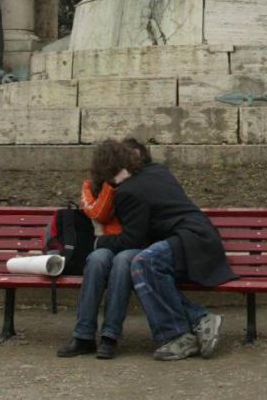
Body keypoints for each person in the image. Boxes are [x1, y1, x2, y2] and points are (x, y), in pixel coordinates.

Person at [87, 140, 234, 360]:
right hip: (202, 239)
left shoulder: (127, 192)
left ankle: (179, 334)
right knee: (145, 270)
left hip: (188, 241)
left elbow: (131, 240)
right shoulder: (158, 171)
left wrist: (99, 242)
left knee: (143, 262)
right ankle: (196, 322)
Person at [59, 138, 151, 359]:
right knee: (97, 259)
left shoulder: (137, 182)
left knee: (122, 263)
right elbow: (99, 214)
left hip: (134, 245)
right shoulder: (91, 186)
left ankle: (110, 336)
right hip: (109, 243)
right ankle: (83, 335)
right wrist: (111, 185)